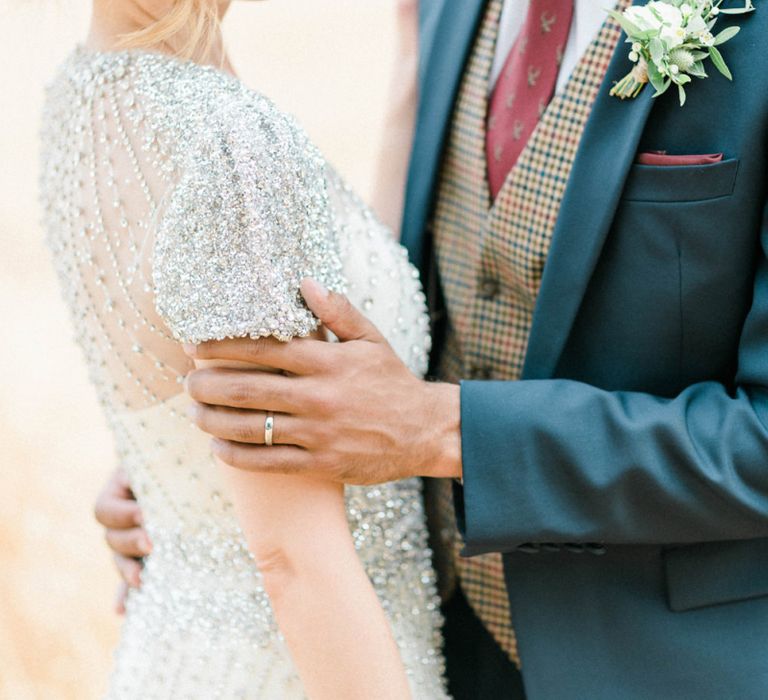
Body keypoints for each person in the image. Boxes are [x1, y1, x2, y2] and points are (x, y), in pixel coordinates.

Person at [99, 0, 768, 698]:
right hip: (429, 639)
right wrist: (196, 459)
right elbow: (410, 273)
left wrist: (441, 431)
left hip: (664, 665)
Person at [40, 0, 449, 697]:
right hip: (320, 667)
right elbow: (293, 559)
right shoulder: (229, 139)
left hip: (175, 653)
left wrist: (412, 65)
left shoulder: (77, 94)